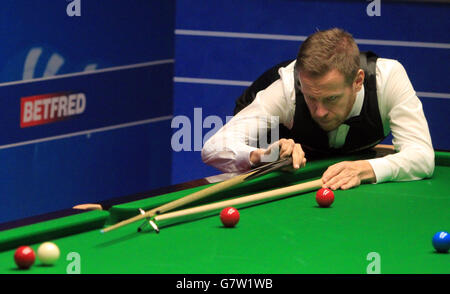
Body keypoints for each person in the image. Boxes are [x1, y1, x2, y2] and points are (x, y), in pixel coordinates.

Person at [202, 28, 434, 190]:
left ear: (358, 81)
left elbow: (422, 157)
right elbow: (213, 148)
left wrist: (365, 169)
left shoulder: (387, 80)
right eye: (312, 98)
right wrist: (263, 155)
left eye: (331, 98)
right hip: (274, 149)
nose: (320, 111)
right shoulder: (286, 90)